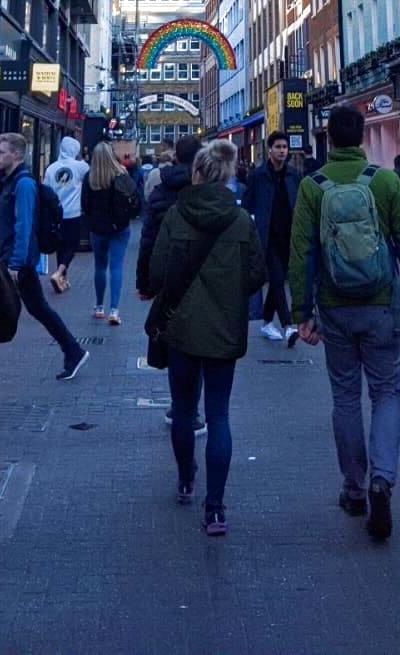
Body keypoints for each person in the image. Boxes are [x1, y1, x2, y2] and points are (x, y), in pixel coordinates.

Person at [288, 104, 400, 543]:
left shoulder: (313, 187)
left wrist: (301, 313)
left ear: (330, 138)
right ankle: (382, 480)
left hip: (334, 308)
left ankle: (354, 487)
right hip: (381, 307)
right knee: (387, 393)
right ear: (362, 138)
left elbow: (301, 254)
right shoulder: (386, 182)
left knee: (346, 397)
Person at [149, 140, 265, 536]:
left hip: (180, 330)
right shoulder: (241, 220)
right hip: (223, 330)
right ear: (228, 175)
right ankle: (215, 507)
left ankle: (186, 479)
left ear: (196, 173)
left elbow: (157, 271)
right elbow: (256, 274)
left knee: (183, 409)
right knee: (219, 415)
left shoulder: (176, 215)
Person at [0, 133, 87, 381]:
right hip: (14, 259)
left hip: (16, 262)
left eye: (2, 152)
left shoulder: (22, 184)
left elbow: (24, 224)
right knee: (35, 309)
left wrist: (15, 262)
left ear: (17, 155)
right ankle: (73, 350)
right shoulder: (12, 182)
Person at [136, 134, 206, 436]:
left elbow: (148, 238)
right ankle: (192, 411)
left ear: (175, 157)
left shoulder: (161, 190)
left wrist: (144, 282)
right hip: (202, 277)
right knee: (198, 344)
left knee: (174, 342)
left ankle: (179, 406)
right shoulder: (208, 191)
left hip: (168, 278)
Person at [242, 131, 299, 342]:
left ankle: (267, 322)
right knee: (276, 278)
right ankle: (288, 325)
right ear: (270, 149)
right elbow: (247, 204)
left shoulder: (293, 175)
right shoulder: (258, 176)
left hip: (289, 235)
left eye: (285, 147)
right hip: (267, 236)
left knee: (278, 279)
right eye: (278, 147)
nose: (282, 151)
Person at [81, 142, 139, 324]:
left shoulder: (90, 177)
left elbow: (85, 205)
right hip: (119, 227)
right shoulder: (121, 174)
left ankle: (99, 307)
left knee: (100, 266)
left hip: (98, 229)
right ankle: (114, 310)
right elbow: (134, 198)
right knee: (117, 266)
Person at [43, 137, 89, 294]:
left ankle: (62, 278)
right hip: (73, 212)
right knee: (72, 245)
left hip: (56, 214)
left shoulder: (51, 168)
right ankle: (58, 273)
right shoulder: (80, 166)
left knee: (61, 246)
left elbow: (46, 190)